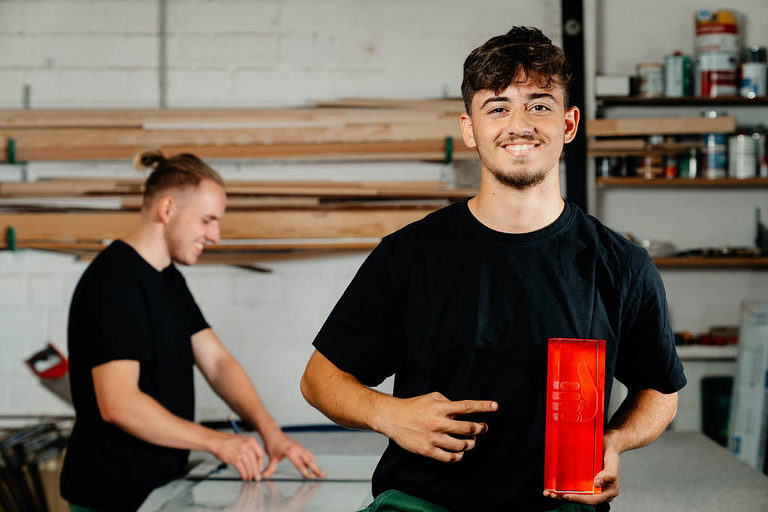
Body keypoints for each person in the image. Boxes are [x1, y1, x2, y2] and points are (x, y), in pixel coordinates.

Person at [301, 26, 686, 512]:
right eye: (498, 107)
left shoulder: (622, 266)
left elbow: (660, 389)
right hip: (421, 503)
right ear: (470, 129)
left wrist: (615, 440)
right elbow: (319, 379)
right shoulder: (409, 255)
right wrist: (389, 414)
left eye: (539, 105)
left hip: (560, 503)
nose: (519, 124)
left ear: (568, 124)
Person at [60, 150, 324, 512]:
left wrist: (269, 429)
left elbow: (216, 362)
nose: (214, 235)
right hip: (110, 496)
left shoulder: (169, 281)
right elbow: (118, 404)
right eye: (207, 220)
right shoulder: (114, 282)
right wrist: (218, 442)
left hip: (158, 489)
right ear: (168, 210)